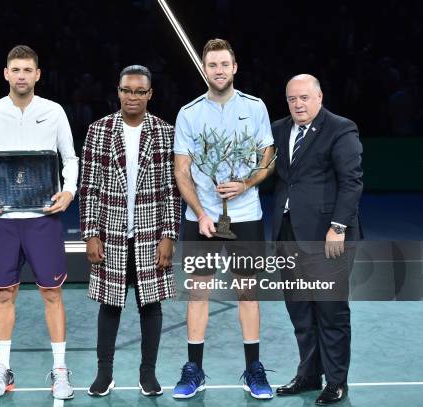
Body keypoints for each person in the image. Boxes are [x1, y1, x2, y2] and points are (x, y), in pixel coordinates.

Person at [0, 45, 78, 400]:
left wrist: (70, 190)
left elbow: (69, 157)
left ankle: (60, 370)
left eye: (27, 70)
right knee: (5, 294)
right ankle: (2, 368)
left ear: (37, 74)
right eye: (15, 69)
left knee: (52, 293)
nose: (21, 75)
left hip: (42, 219)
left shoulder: (54, 111)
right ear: (6, 73)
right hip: (4, 219)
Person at [172, 38, 276, 400]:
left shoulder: (255, 107)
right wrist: (200, 213)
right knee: (197, 292)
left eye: (224, 64)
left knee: (247, 291)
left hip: (245, 215)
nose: (218, 70)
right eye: (212, 65)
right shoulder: (188, 113)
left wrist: (246, 183)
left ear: (235, 68)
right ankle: (194, 370)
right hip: (201, 219)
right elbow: (181, 170)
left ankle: (253, 370)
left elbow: (269, 155)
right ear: (205, 69)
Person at [79, 65, 180, 397]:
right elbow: (89, 187)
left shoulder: (165, 132)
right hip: (110, 233)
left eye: (139, 91)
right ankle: (104, 374)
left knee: (151, 306)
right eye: (126, 90)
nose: (132, 96)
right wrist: (91, 233)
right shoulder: (99, 130)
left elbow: (171, 189)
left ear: (149, 94)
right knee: (110, 305)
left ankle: (147, 374)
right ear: (118, 91)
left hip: (152, 234)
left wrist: (169, 235)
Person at [272, 74, 362, 405]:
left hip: (328, 237)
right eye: (292, 99)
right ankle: (309, 374)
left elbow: (352, 182)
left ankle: (337, 381)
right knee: (299, 311)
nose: (298, 104)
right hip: (288, 234)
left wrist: (338, 227)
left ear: (319, 97)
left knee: (330, 311)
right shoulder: (279, 129)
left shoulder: (341, 128)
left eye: (304, 98)